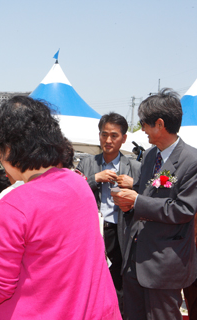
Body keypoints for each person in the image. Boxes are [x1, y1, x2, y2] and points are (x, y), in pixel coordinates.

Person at [0, 96, 120, 320]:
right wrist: (0, 235)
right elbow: (52, 240)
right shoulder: (77, 182)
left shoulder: (15, 203)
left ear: (7, 150)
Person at [112, 88, 197, 320]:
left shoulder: (192, 161)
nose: (142, 129)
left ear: (159, 124)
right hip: (135, 259)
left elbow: (183, 210)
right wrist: (127, 201)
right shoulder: (150, 155)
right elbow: (144, 192)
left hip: (164, 264)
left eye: (143, 123)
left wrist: (138, 201)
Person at [76, 112, 141, 315]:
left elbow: (146, 198)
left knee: (119, 281)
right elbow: (73, 191)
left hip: (121, 230)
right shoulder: (87, 163)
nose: (108, 140)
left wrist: (134, 185)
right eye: (104, 135)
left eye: (114, 135)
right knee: (90, 279)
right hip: (93, 230)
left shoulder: (135, 167)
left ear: (124, 138)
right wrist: (96, 178)